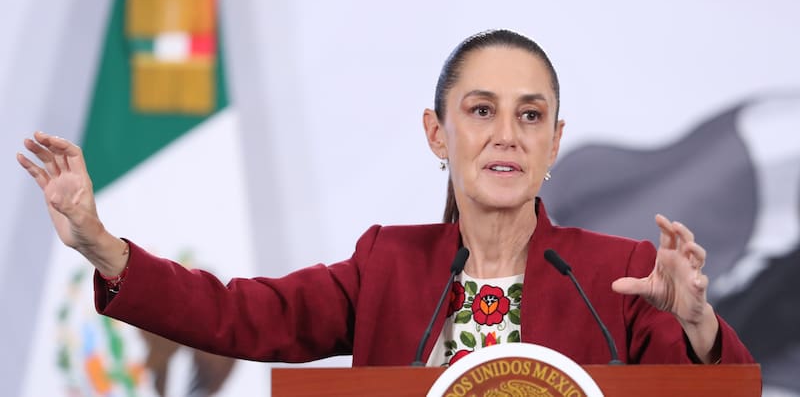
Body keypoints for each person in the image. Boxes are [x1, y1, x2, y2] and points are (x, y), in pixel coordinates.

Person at [17, 29, 753, 367]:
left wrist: (698, 326)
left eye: (530, 116)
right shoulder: (387, 264)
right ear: (437, 134)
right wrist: (102, 245)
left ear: (555, 143)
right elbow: (242, 316)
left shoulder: (616, 275)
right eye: (480, 110)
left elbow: (715, 395)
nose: (507, 135)